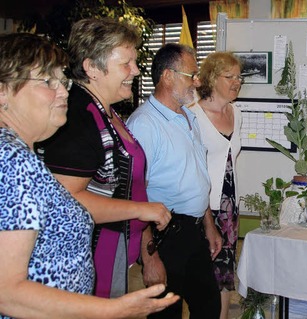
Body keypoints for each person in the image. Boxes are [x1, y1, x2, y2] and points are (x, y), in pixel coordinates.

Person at [0, 32, 179, 319]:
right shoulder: (11, 160)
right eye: (48, 82)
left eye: (63, 81)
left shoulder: (17, 154)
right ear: (3, 91)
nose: (63, 92)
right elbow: (6, 291)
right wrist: (112, 309)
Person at [37, 18, 172, 299]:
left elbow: (130, 188)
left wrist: (148, 249)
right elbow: (67, 201)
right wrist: (140, 210)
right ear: (92, 68)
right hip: (86, 259)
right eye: (126, 63)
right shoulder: (78, 116)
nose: (136, 70)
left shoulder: (106, 112)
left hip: (116, 253)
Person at [127, 43, 223, 319]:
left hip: (193, 232)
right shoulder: (144, 124)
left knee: (209, 306)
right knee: (165, 314)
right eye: (191, 75)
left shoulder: (189, 117)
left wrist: (209, 225)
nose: (197, 82)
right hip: (164, 234)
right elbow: (135, 194)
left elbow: (197, 177)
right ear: (167, 76)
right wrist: (149, 256)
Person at [192, 52, 243, 319]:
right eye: (229, 76)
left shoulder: (238, 113)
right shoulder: (192, 116)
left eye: (239, 77)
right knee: (203, 275)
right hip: (203, 208)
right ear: (212, 77)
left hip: (229, 206)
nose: (236, 82)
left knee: (225, 272)